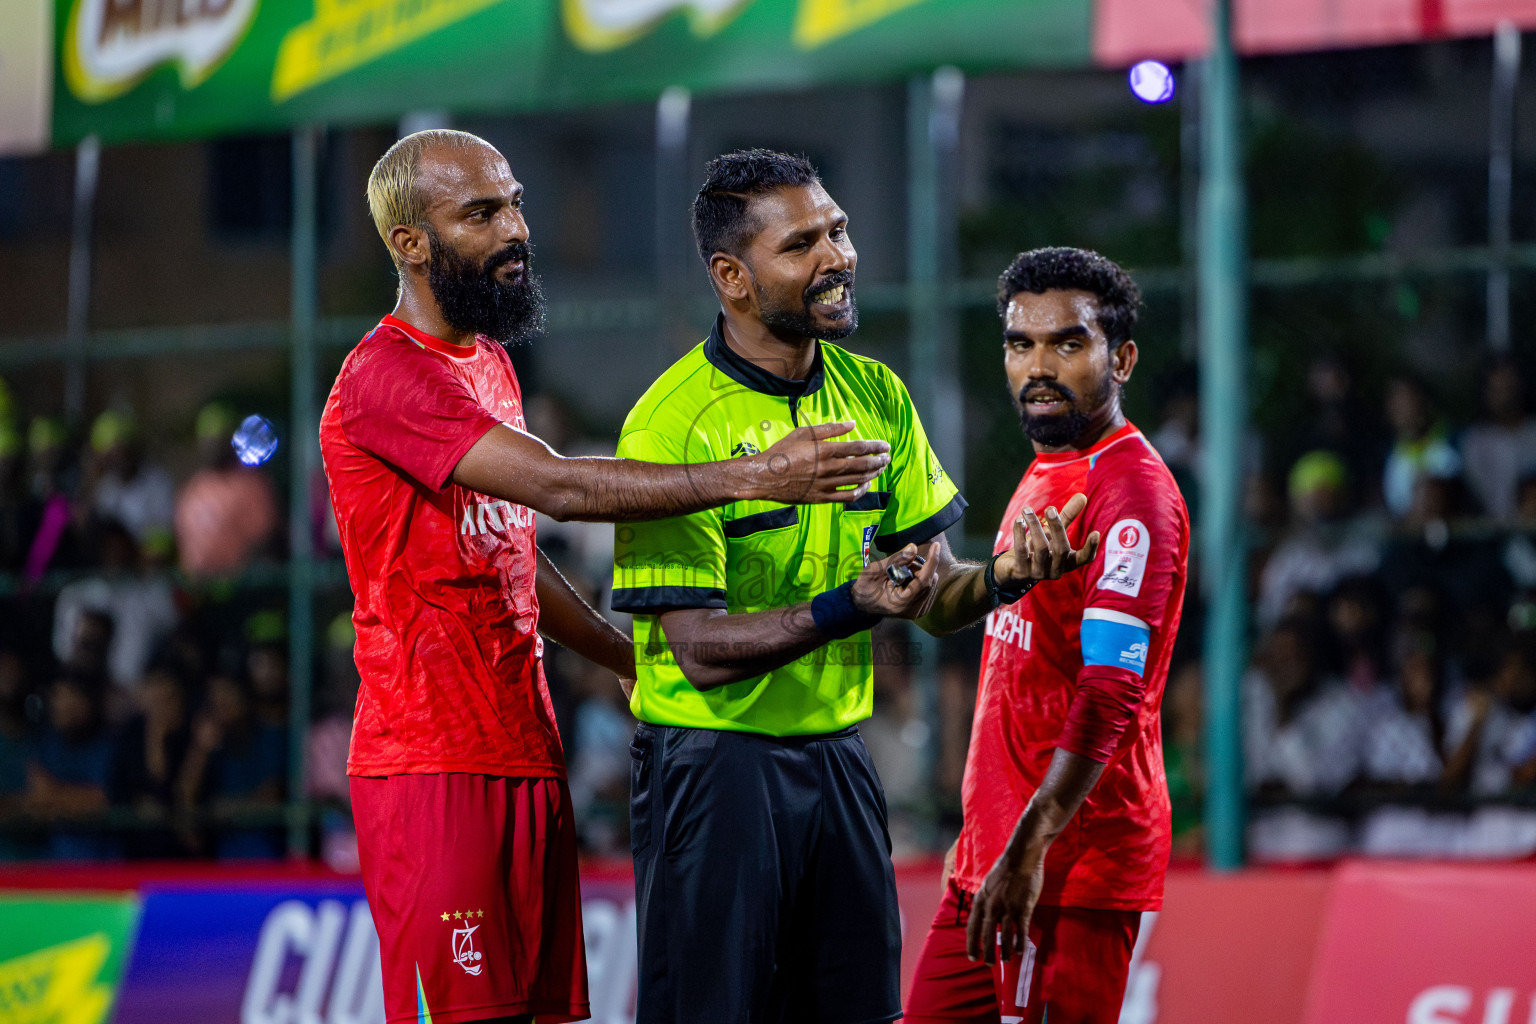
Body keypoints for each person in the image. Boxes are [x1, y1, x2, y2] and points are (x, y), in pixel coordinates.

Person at [322, 130, 891, 1024]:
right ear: (410, 243)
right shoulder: (385, 378)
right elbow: (557, 485)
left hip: (523, 746)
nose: (515, 229)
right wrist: (754, 476)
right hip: (432, 764)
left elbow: (508, 551)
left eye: (514, 202)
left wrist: (623, 652)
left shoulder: (487, 364)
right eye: (481, 213)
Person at [613, 152, 1096, 1024]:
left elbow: (929, 592)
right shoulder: (672, 421)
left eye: (837, 229)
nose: (838, 255)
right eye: (801, 244)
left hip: (839, 757)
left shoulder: (877, 393)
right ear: (733, 277)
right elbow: (697, 651)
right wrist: (851, 606)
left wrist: (1001, 581)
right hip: (714, 766)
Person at [905, 247, 1189, 1024]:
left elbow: (1110, 692)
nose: (1038, 365)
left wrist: (1029, 846)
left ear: (1121, 357)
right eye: (1019, 343)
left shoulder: (1130, 492)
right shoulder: (1051, 466)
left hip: (1063, 869)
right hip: (989, 862)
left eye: (1067, 343)